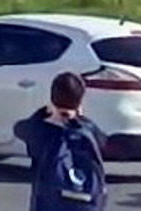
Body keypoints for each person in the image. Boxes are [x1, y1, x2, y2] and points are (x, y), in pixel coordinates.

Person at [14, 72, 108, 211]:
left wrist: (44, 113)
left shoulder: (41, 129)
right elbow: (103, 141)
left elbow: (19, 129)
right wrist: (78, 119)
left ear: (52, 99)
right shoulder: (88, 130)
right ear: (80, 101)